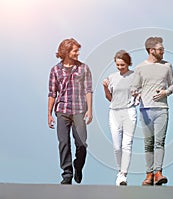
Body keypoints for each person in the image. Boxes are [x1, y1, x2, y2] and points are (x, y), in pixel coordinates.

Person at [48, 38, 93, 185]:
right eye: (75, 50)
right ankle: (67, 174)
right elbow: (52, 93)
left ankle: (78, 166)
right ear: (66, 52)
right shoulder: (55, 70)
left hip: (79, 111)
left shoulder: (84, 68)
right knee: (63, 143)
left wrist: (90, 110)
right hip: (62, 110)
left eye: (77, 50)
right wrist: (49, 114)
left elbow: (88, 90)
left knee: (81, 144)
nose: (77, 53)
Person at [131, 37, 173, 186]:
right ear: (151, 50)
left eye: (163, 49)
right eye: (160, 49)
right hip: (145, 109)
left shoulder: (167, 66)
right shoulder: (140, 68)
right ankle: (148, 175)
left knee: (159, 142)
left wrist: (165, 93)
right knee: (148, 143)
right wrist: (135, 93)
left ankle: (158, 173)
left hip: (162, 109)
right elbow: (134, 87)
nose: (163, 51)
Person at [103, 50, 138, 186]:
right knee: (117, 147)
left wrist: (136, 95)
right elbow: (109, 98)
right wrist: (105, 88)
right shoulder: (112, 77)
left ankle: (123, 175)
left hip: (129, 111)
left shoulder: (135, 76)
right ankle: (119, 170)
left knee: (126, 145)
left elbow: (138, 93)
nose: (120, 67)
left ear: (128, 63)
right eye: (117, 65)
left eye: (122, 65)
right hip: (114, 112)